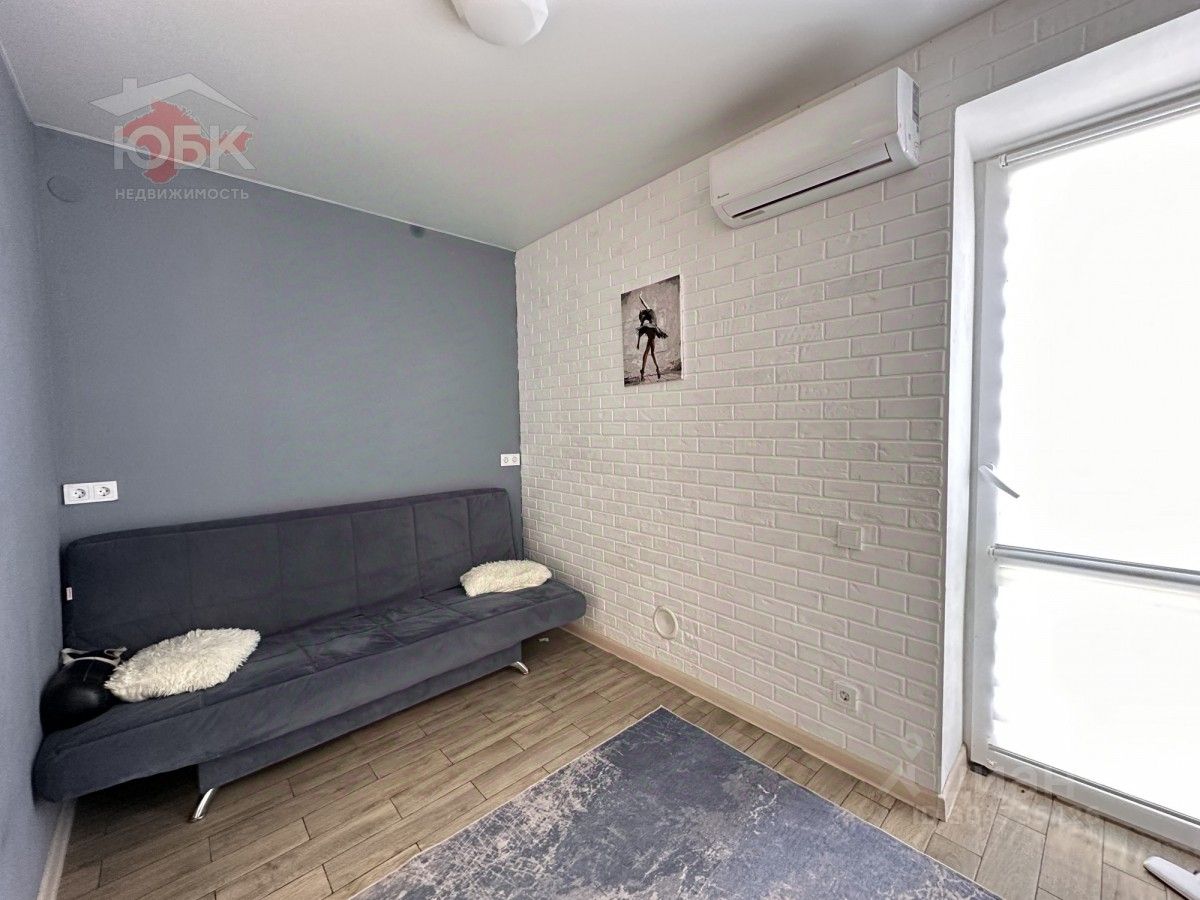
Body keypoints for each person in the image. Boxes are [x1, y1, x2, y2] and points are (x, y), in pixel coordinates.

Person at [635, 293, 668, 380]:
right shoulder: (650, 311)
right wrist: (640, 297)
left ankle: (643, 372)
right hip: (653, 329)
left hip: (651, 329)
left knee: (648, 352)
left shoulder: (647, 314)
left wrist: (638, 343)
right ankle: (654, 369)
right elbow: (644, 303)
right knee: (651, 352)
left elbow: (640, 332)